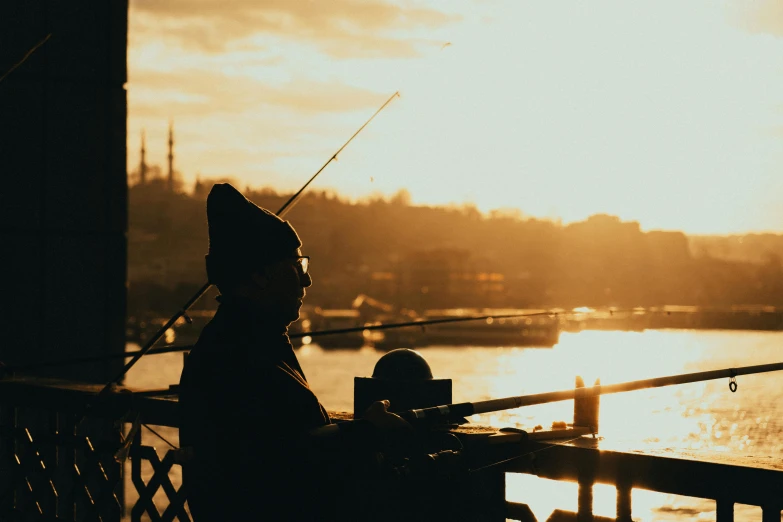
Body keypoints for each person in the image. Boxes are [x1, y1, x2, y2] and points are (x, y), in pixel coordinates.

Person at [178, 183, 410, 522]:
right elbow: (276, 464)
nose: (307, 281)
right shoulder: (241, 357)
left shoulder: (238, 342)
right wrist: (367, 432)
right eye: (296, 267)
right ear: (258, 275)